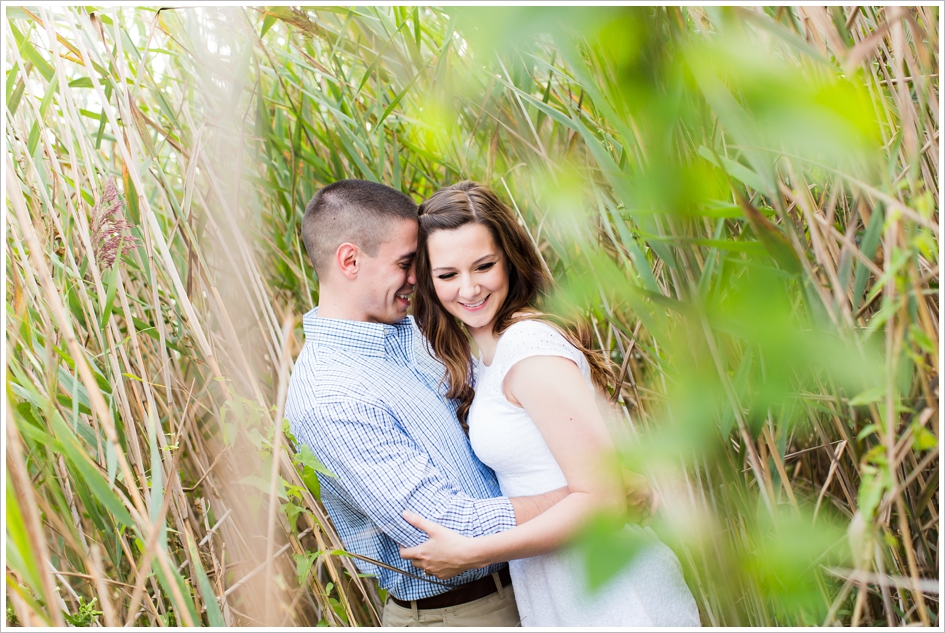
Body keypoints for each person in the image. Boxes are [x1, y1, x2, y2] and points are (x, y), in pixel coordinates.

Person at [399, 181, 701, 627]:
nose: (469, 288)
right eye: (447, 275)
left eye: (484, 266)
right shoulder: (485, 359)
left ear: (509, 260)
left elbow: (604, 498)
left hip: (611, 592)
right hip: (562, 586)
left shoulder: (527, 348)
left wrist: (471, 552)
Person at [284, 179, 572, 627]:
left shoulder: (418, 331)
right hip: (463, 613)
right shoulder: (330, 395)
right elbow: (448, 526)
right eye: (405, 263)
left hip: (537, 582)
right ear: (349, 260)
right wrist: (588, 495)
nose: (419, 277)